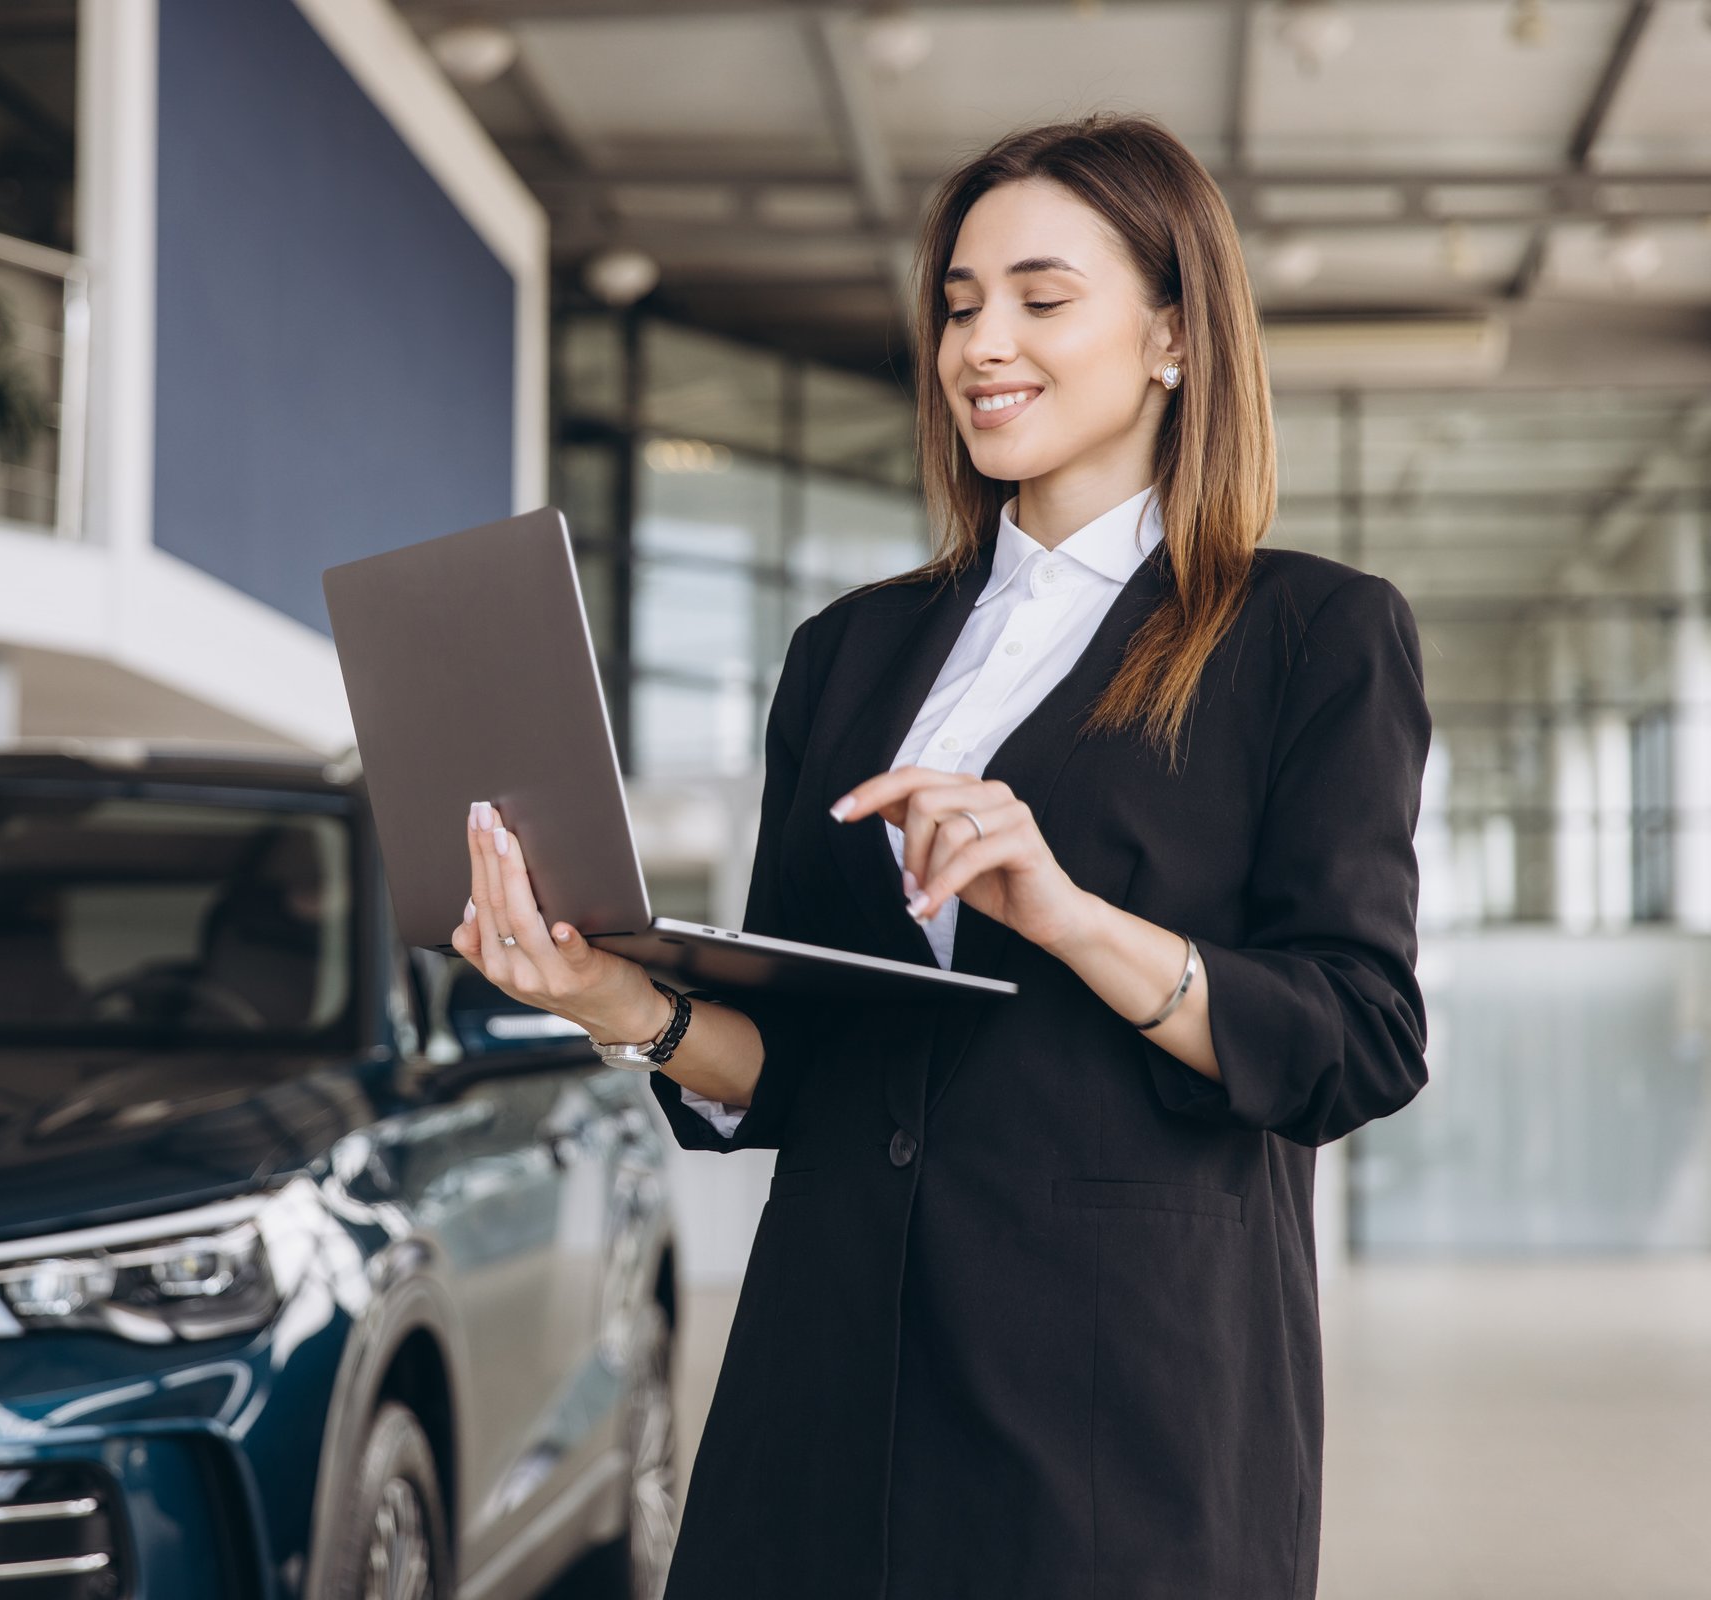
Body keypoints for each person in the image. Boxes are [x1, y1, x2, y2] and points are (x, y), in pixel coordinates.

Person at [450, 111, 1430, 1599]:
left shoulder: (1309, 637)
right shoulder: (849, 654)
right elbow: (802, 1064)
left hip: (1117, 1422)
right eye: (961, 305)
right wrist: (617, 1005)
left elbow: (1355, 1040)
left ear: (1173, 335)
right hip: (826, 1393)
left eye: (1042, 299)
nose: (983, 343)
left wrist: (1068, 915)